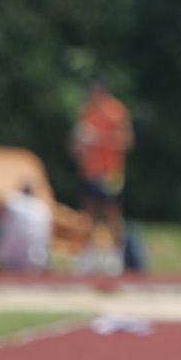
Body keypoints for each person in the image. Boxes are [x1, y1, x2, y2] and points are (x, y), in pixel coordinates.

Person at [70, 82, 134, 258]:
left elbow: (126, 141)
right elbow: (76, 142)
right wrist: (78, 145)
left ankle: (117, 255)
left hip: (111, 172)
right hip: (90, 171)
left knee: (112, 212)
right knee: (88, 212)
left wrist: (97, 136)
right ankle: (87, 254)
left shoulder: (117, 112)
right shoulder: (87, 111)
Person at [0, 183, 53, 272]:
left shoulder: (13, 201)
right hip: (38, 259)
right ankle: (47, 263)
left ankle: (0, 260)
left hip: (11, 259)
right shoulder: (43, 207)